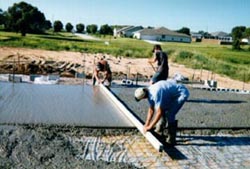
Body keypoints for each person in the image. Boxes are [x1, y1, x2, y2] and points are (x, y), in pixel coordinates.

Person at [134, 79, 189, 145]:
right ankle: (159, 132)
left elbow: (159, 112)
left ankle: (171, 139)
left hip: (181, 93)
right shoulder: (149, 92)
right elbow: (151, 109)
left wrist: (150, 126)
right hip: (170, 94)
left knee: (170, 114)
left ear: (143, 97)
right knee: (163, 110)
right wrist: (147, 124)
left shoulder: (155, 93)